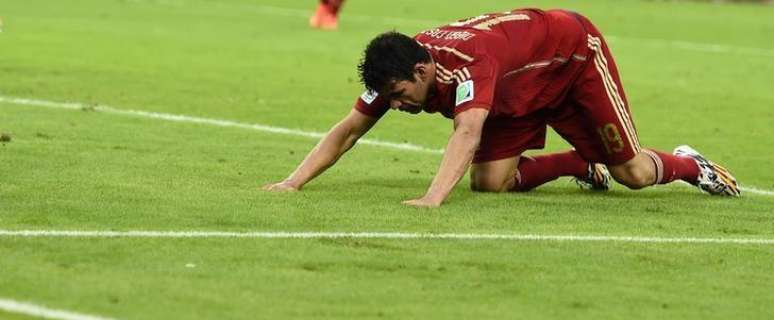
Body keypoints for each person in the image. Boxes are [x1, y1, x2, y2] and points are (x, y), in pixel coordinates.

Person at [266, 8, 740, 207]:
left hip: (572, 60)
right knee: (490, 183)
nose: (395, 105)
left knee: (633, 174)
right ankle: (581, 162)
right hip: (521, 89)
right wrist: (293, 182)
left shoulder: (471, 65)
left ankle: (688, 164)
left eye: (398, 95)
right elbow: (349, 129)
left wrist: (432, 198)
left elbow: (467, 132)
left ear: (422, 71)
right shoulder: (400, 68)